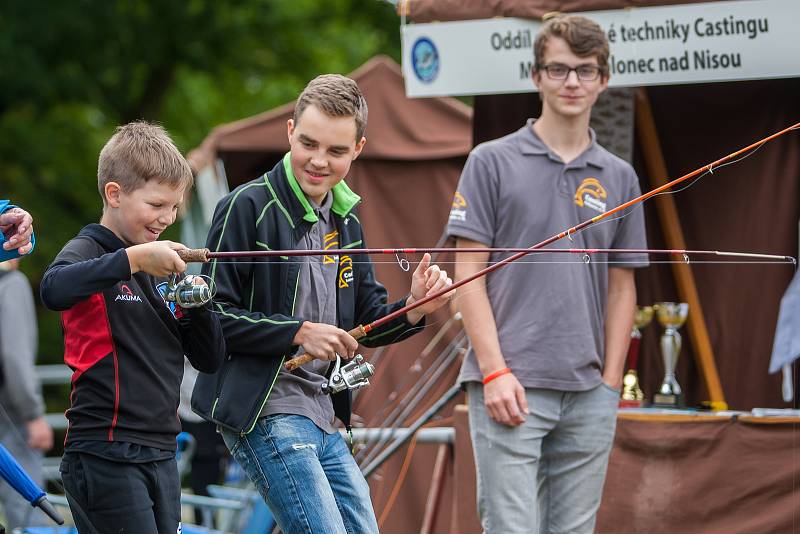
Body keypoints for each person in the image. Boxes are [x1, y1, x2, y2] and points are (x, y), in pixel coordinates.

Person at [192, 74, 453, 533]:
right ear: (290, 131)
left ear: (358, 149)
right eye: (308, 143)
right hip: (265, 410)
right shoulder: (245, 206)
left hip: (328, 414)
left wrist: (413, 308)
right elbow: (211, 315)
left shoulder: (347, 220)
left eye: (335, 151)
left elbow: (369, 316)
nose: (318, 161)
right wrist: (297, 331)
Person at [448, 14, 648, 534]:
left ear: (604, 79)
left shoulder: (621, 177)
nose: (572, 83)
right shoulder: (490, 161)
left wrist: (609, 384)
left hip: (588, 392)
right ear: (536, 76)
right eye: (558, 70)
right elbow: (467, 272)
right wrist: (493, 371)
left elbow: (623, 287)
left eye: (585, 71)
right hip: (507, 384)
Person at [40, 121, 226, 534]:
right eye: (157, 204)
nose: (167, 218)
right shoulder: (89, 250)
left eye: (175, 207)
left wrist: (197, 303)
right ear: (115, 194)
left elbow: (210, 359)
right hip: (105, 453)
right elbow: (53, 289)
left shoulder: (162, 269)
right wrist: (136, 260)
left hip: (160, 454)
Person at [0, 258, 53, 530]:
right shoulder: (10, 282)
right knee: (26, 507)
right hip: (10, 411)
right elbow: (14, 356)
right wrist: (33, 415)